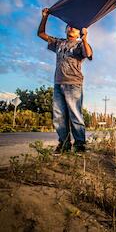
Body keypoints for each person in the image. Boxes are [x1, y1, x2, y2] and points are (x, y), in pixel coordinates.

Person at [37, 8, 92, 153]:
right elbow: (41, 34)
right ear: (66, 29)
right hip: (58, 83)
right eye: (69, 26)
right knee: (59, 116)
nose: (71, 27)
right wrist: (45, 17)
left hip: (73, 84)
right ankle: (64, 144)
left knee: (75, 114)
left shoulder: (80, 45)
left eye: (75, 27)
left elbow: (89, 53)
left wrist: (85, 38)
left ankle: (80, 145)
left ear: (79, 33)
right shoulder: (58, 43)